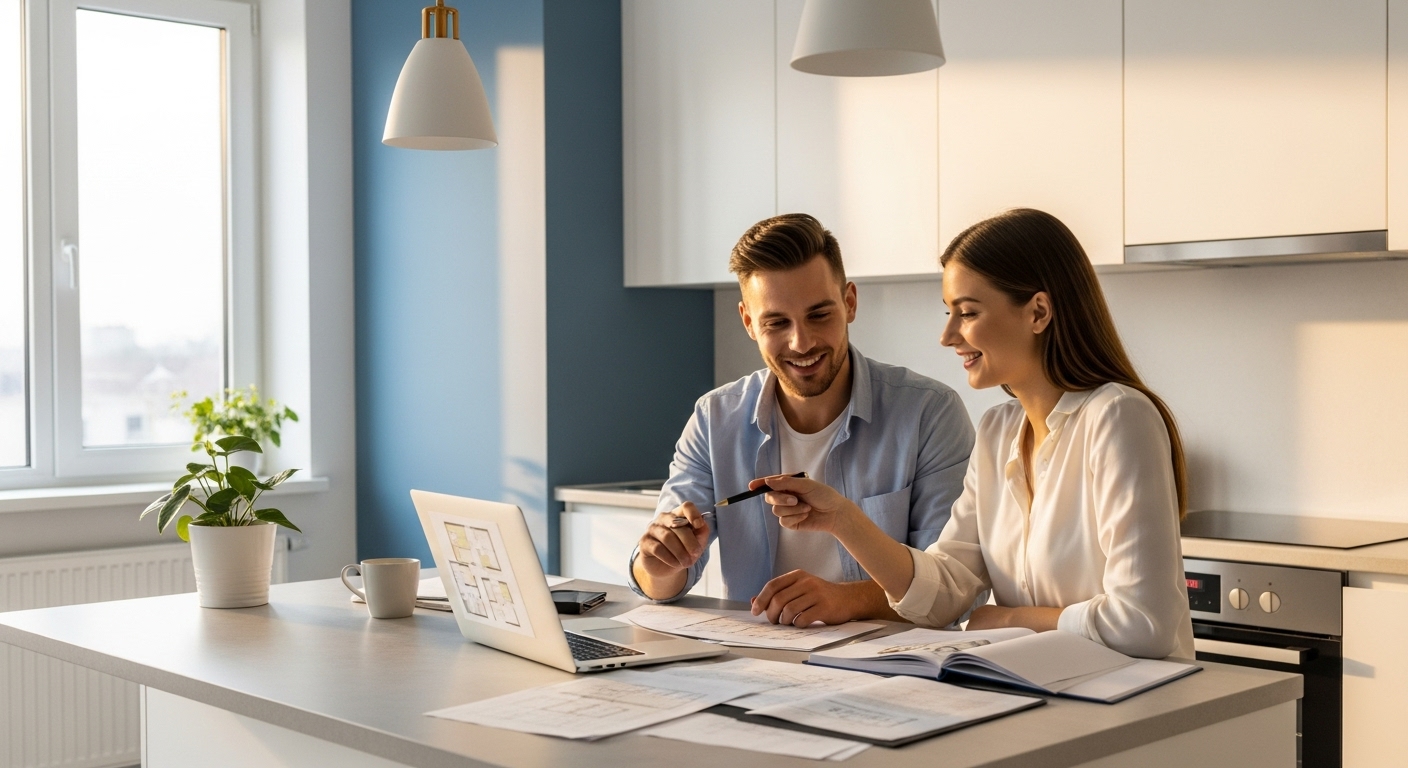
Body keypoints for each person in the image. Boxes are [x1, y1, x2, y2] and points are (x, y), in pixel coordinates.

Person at [753, 208, 1194, 659]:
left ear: (1038, 312)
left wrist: (1008, 620)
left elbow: (1145, 625)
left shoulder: (1117, 416)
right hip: (1047, 690)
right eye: (949, 312)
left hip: (1141, 699)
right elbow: (945, 592)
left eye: (967, 313)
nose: (947, 335)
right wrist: (842, 520)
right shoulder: (999, 430)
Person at [626, 213, 976, 626]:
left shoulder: (930, 413)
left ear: (849, 302)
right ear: (748, 322)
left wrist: (848, 600)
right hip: (755, 654)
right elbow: (661, 583)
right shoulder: (714, 418)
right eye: (777, 322)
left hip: (888, 658)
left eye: (819, 315)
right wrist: (659, 563)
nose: (801, 342)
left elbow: (952, 590)